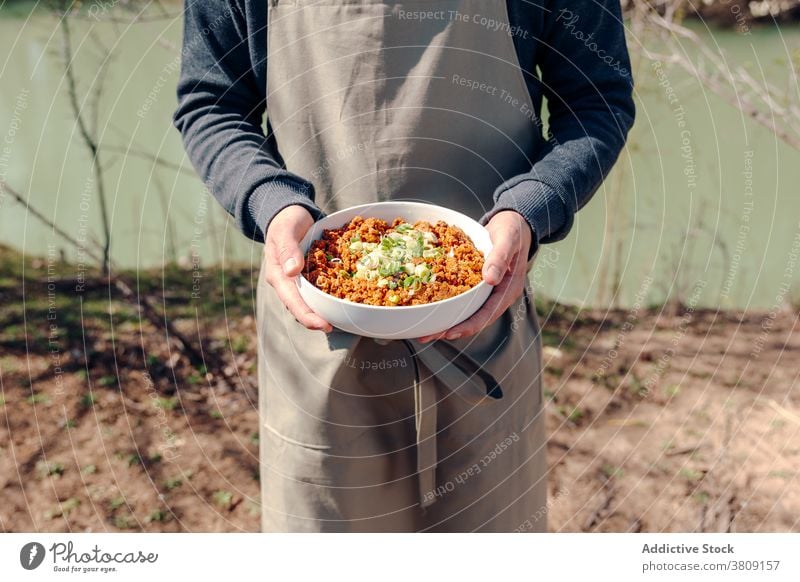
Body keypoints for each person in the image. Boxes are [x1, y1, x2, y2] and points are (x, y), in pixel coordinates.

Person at [174, 0, 635, 532]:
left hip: (484, 332)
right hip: (314, 339)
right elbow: (211, 102)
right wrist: (270, 202)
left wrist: (530, 207)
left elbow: (597, 100)